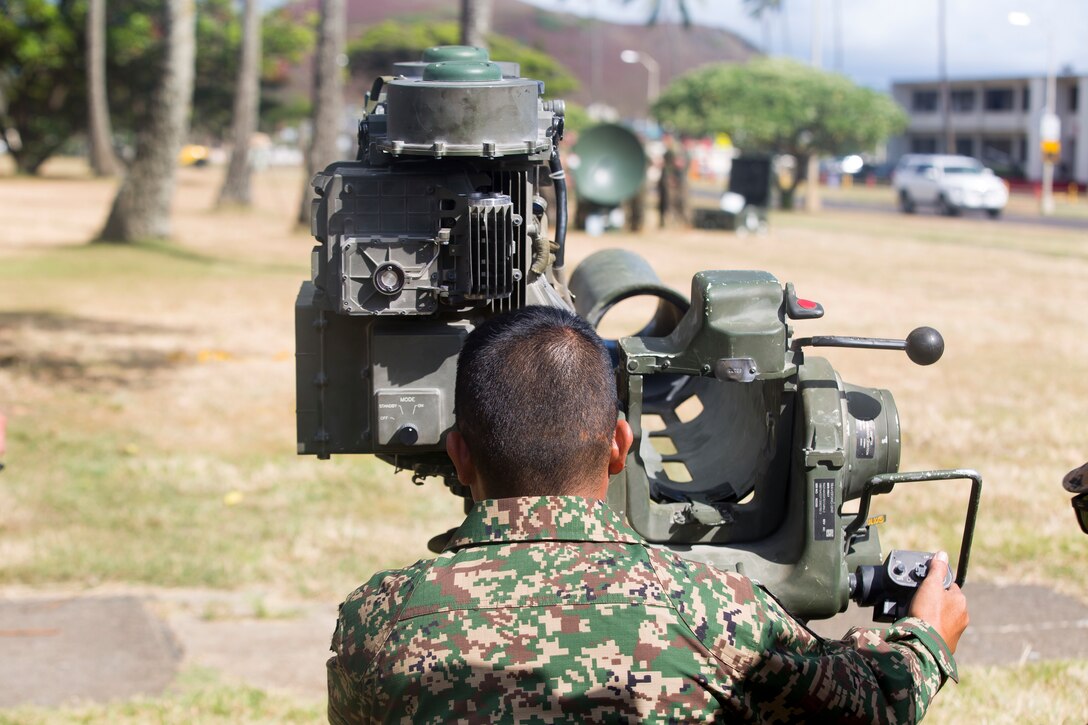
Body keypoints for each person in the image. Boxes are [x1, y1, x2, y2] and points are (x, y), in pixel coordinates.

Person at [327, 306, 969, 723]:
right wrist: (926, 635)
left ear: (460, 456)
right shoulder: (716, 609)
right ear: (618, 446)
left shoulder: (378, 620)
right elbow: (876, 705)